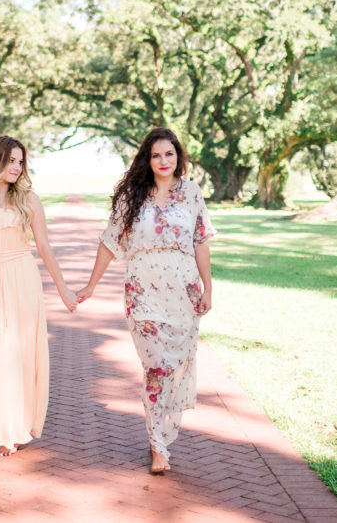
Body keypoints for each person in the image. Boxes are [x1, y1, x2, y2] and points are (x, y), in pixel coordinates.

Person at [76, 127, 215, 474]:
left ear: (178, 156)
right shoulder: (132, 196)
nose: (163, 160)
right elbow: (110, 242)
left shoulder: (192, 193)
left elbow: (200, 241)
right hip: (143, 291)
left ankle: (164, 434)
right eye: (156, 155)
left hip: (184, 292)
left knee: (177, 366)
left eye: (169, 154)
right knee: (155, 366)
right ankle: (158, 447)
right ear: (147, 159)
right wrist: (91, 285)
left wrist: (208, 287)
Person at [0, 135, 78, 457]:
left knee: (15, 357)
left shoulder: (28, 201)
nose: (17, 167)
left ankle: (9, 432)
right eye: (11, 160)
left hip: (20, 280)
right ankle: (5, 425)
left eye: (21, 161)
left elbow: (45, 247)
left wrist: (64, 290)